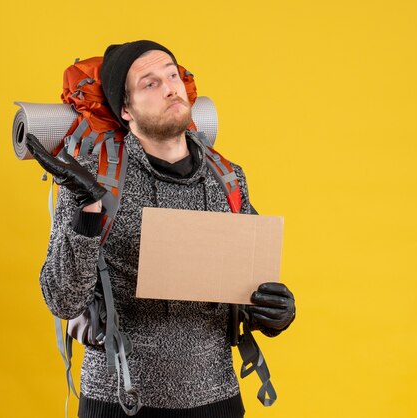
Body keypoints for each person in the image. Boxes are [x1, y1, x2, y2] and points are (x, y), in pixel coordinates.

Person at [27, 40, 296, 418]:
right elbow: (63, 301)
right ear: (126, 110)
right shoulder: (94, 176)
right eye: (149, 84)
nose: (170, 87)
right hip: (118, 401)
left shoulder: (228, 179)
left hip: (217, 399)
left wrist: (275, 311)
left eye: (172, 75)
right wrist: (89, 207)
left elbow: (243, 290)